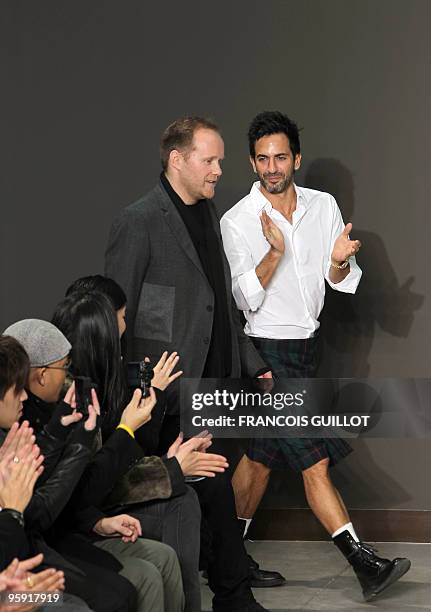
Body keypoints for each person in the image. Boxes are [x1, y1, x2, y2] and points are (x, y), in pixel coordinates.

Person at [220, 110, 411, 601]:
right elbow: (242, 299)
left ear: (296, 158)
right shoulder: (237, 221)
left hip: (308, 346)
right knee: (314, 462)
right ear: (252, 162)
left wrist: (340, 259)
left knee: (261, 460)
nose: (271, 166)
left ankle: (225, 560)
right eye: (262, 158)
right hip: (266, 351)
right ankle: (363, 564)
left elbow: (340, 283)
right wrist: (274, 252)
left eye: (280, 156)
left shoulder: (322, 206)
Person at [105, 116, 285, 603]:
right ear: (177, 160)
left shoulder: (206, 215)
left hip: (214, 384)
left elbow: (220, 304)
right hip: (165, 393)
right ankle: (232, 592)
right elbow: (116, 317)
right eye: (210, 160)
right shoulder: (138, 221)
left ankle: (227, 589)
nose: (219, 170)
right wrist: (139, 393)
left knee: (214, 486)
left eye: (221, 160)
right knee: (214, 486)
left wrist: (251, 362)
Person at [52, 285, 237, 612]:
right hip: (79, 524)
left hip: (92, 511)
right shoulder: (74, 399)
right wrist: (170, 465)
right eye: (121, 318)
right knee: (186, 501)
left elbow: (122, 460)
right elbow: (91, 485)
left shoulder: (95, 386)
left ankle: (231, 593)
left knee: (196, 493)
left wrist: (168, 457)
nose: (126, 328)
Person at [4, 321, 184, 612]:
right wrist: (124, 433)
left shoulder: (53, 412)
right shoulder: (28, 421)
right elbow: (43, 510)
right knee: (119, 592)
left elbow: (54, 495)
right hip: (40, 556)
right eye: (65, 364)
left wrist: (96, 521)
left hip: (58, 539)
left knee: (161, 556)